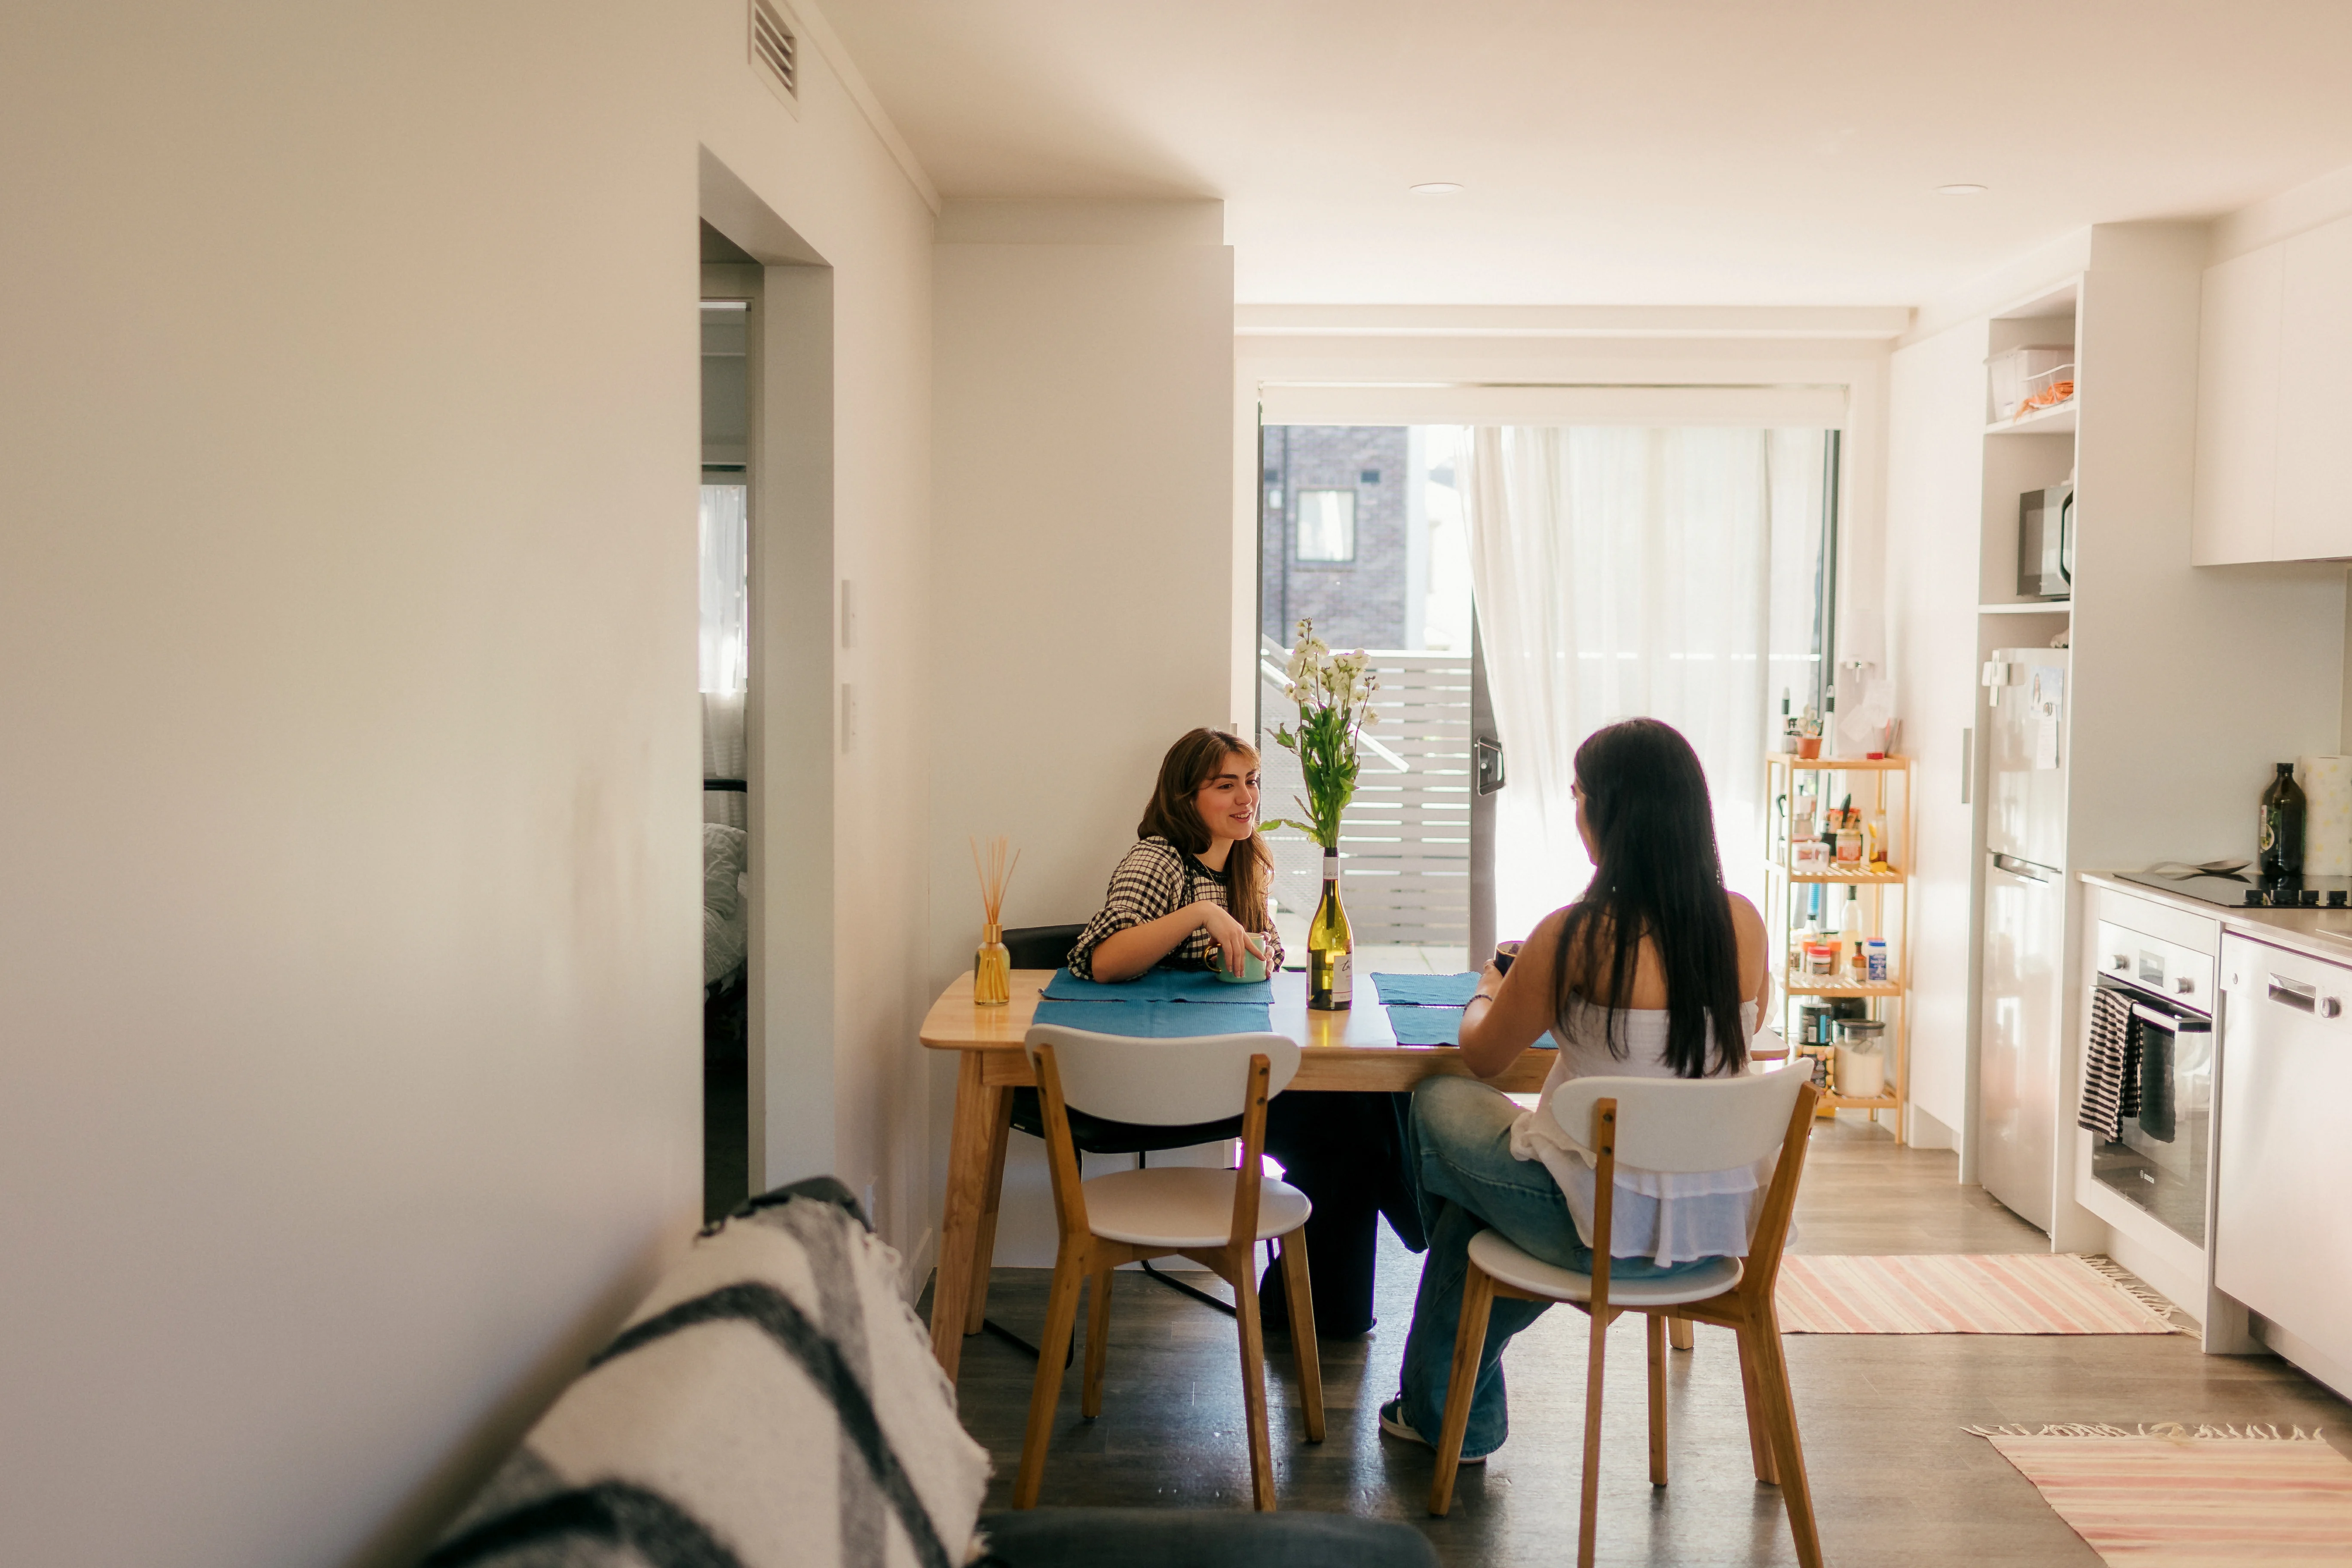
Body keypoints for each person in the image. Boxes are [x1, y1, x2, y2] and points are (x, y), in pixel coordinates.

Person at [1378, 717, 1774, 1463]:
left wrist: (1490, 988)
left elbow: (1484, 1058)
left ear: (1607, 815)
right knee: (1473, 1213)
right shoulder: (1743, 923)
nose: (1575, 812)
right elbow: (1751, 1026)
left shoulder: (1574, 936)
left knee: (1432, 1100)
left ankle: (1455, 1419)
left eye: (1577, 796)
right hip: (1708, 1226)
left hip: (1597, 1231)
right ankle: (1444, 1412)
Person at [1049, 727, 1424, 1336]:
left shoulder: (1246, 864)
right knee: (1354, 1126)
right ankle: (1381, 1254)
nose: (1245, 797)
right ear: (1184, 797)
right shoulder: (1158, 860)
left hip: (1222, 1077)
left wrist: (1260, 953)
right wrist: (1200, 915)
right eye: (1225, 785)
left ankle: (1320, 1308)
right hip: (1150, 1087)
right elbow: (1104, 960)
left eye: (1251, 782)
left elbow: (1262, 952)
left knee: (1358, 1109)